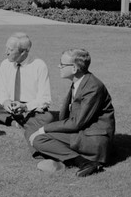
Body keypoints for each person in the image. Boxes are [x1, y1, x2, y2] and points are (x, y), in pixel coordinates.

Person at [29, 48, 115, 177]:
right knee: (33, 131)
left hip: (92, 139)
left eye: (62, 64)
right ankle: (59, 157)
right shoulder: (80, 82)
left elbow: (77, 123)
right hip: (83, 132)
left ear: (74, 68)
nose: (59, 66)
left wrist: (44, 129)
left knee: (39, 139)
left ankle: (84, 162)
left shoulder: (93, 87)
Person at [0, 33, 53, 135]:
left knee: (48, 119)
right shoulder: (5, 64)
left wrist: (25, 107)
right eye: (6, 48)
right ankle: (15, 121)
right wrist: (5, 102)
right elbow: (0, 91)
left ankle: (6, 120)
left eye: (10, 50)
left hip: (28, 108)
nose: (6, 52)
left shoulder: (39, 65)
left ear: (23, 52)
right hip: (9, 106)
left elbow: (45, 99)